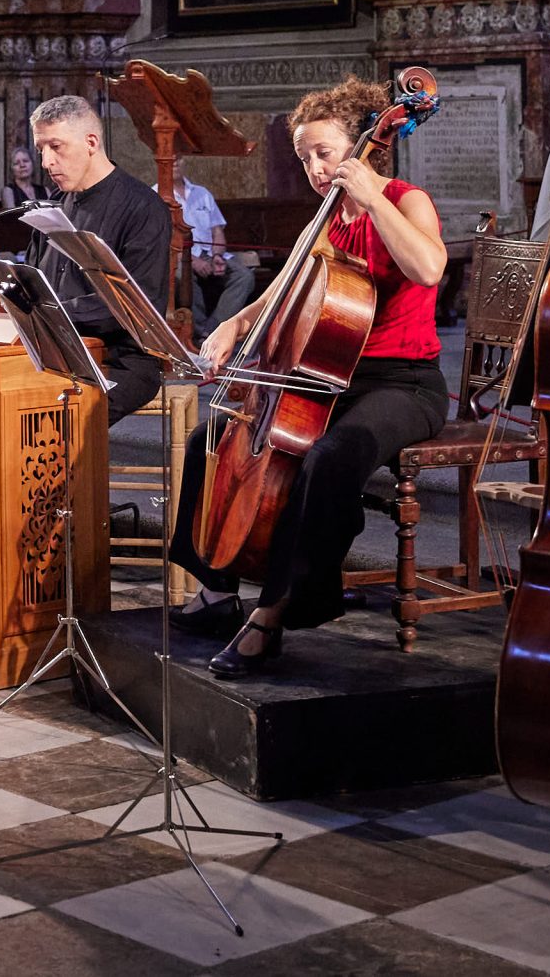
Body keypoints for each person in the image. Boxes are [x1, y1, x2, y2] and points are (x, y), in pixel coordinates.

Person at [166, 80, 449, 674]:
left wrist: (373, 200)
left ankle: (276, 609)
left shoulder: (404, 199)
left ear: (362, 146)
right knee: (210, 440)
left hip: (405, 383)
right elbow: (284, 286)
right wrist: (232, 327)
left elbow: (427, 268)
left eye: (324, 153)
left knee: (331, 458)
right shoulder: (323, 218)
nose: (316, 168)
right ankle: (216, 588)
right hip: (326, 378)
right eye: (304, 158)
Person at [29, 94, 172, 423]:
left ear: (90, 142)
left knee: (57, 419)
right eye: (41, 150)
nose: (46, 162)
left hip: (120, 358)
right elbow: (35, 278)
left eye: (56, 147)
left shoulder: (143, 207)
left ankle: (69, 475)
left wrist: (54, 314)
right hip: (56, 350)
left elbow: (138, 305)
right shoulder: (54, 202)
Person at [162, 170, 256, 339]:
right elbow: (162, 240)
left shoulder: (202, 193)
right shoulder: (156, 194)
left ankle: (215, 328)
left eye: (179, 156)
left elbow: (217, 230)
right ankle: (197, 332)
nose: (175, 161)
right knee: (181, 275)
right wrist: (192, 261)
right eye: (172, 156)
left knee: (244, 276)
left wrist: (217, 256)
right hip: (179, 256)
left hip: (210, 255)